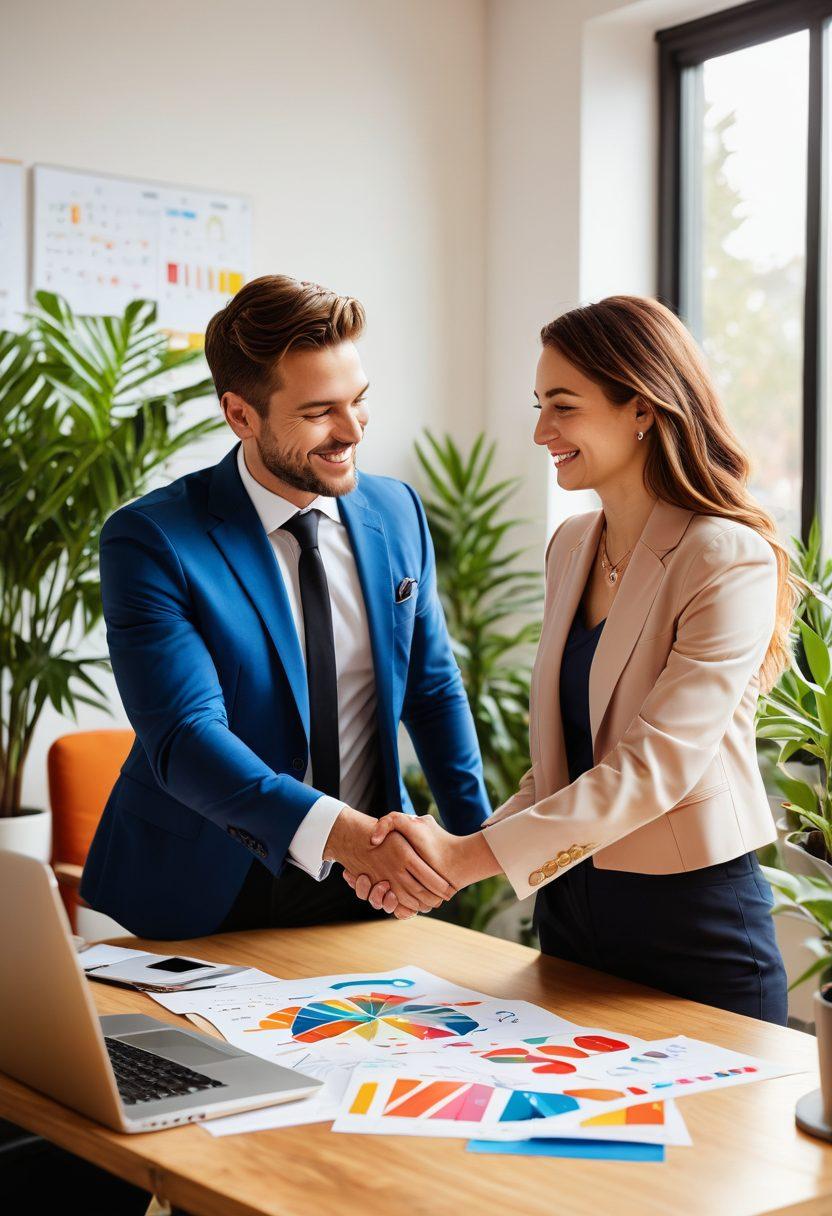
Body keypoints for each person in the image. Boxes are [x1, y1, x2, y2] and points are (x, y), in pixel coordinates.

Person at [346, 294, 796, 1025]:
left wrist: (464, 860)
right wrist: (458, 850)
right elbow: (562, 768)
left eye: (562, 405)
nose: (540, 431)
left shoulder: (725, 554)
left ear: (643, 409)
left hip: (691, 924)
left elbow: (653, 770)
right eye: (539, 404)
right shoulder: (572, 546)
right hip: (570, 912)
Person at [80, 275, 490, 939]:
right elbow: (187, 737)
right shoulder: (153, 540)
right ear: (242, 415)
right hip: (206, 886)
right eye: (319, 412)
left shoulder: (398, 511)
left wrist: (477, 844)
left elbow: (432, 686)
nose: (352, 430)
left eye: (359, 402)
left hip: (370, 887)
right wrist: (342, 835)